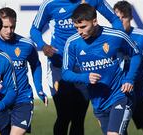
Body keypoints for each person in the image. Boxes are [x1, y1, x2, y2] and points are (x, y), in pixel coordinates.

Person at [30, 0, 123, 135]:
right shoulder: (50, 4)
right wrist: (43, 46)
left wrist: (116, 40)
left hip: (84, 65)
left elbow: (114, 19)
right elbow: (34, 29)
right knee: (64, 115)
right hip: (59, 66)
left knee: (79, 118)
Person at [62, 3, 141, 135]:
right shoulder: (72, 43)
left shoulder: (116, 36)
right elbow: (65, 73)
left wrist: (129, 79)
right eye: (76, 28)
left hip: (120, 95)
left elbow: (136, 55)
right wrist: (84, 77)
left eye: (83, 27)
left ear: (94, 21)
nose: (80, 32)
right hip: (99, 102)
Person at [0, 7, 48, 135]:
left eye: (12, 27)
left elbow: (36, 65)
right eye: (5, 27)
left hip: (22, 98)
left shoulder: (26, 45)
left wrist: (39, 89)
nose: (9, 31)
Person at [113, 1, 143, 135]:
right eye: (117, 18)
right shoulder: (108, 38)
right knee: (117, 130)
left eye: (124, 17)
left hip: (139, 92)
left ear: (131, 18)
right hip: (116, 93)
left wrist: (141, 74)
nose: (121, 21)